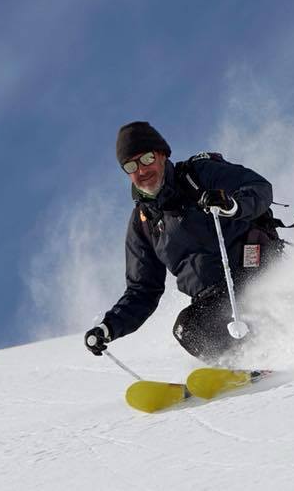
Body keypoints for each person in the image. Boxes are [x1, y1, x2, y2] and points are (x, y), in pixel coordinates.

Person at [84, 121, 280, 363]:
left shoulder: (198, 175)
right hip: (213, 296)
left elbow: (260, 188)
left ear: (162, 155)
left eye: (146, 158)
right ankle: (243, 367)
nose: (141, 170)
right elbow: (142, 290)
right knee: (190, 329)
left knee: (212, 320)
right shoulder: (143, 223)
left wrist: (232, 205)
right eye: (131, 165)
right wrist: (109, 327)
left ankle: (271, 352)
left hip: (255, 265)